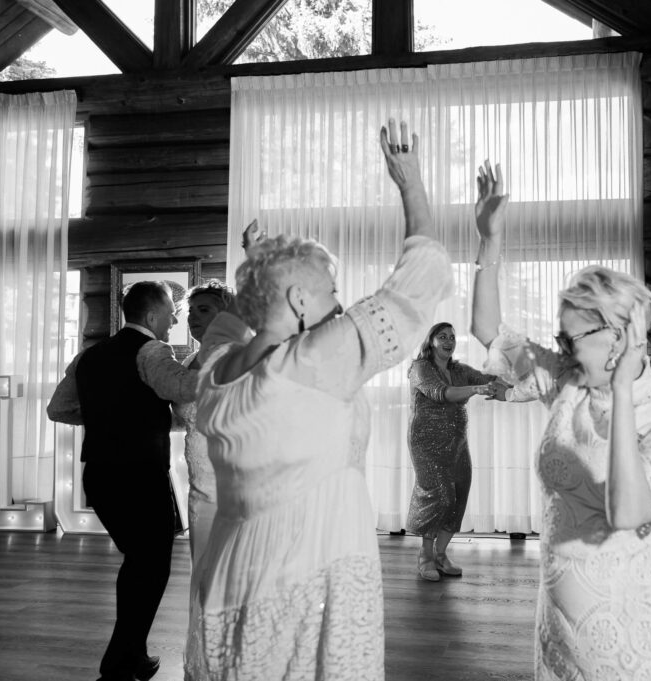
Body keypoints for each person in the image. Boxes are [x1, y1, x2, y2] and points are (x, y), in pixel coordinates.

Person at [188, 118, 452, 680]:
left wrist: (260, 262)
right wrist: (410, 185)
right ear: (299, 299)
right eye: (330, 292)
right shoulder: (306, 366)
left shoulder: (217, 372)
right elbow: (419, 281)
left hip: (233, 574)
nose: (340, 305)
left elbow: (252, 324)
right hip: (307, 572)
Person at [470, 162, 651, 680]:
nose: (560, 349)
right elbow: (489, 331)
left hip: (633, 636)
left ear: (619, 339)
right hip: (559, 629)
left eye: (570, 339)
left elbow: (627, 512)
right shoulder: (568, 380)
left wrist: (621, 392)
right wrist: (489, 241)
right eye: (560, 338)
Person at [47, 281, 198, 681]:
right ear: (151, 316)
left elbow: (58, 409)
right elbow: (180, 394)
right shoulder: (154, 351)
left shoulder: (89, 356)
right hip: (139, 475)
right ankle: (119, 662)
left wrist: (104, 419)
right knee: (151, 567)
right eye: (170, 313)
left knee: (140, 564)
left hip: (99, 475)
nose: (175, 319)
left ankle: (129, 656)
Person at [173, 279, 250, 681]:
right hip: (200, 491)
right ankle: (203, 665)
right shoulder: (188, 363)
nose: (194, 318)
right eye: (191, 312)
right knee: (203, 575)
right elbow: (178, 415)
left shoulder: (238, 355)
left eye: (204, 310)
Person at [405, 322, 505, 581]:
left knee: (459, 494)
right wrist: (475, 390)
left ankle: (440, 554)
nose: (449, 341)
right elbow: (441, 393)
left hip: (457, 442)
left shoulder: (458, 369)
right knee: (440, 495)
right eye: (442, 337)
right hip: (426, 442)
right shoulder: (420, 368)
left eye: (452, 337)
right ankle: (424, 556)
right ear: (431, 341)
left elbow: (489, 381)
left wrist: (515, 376)